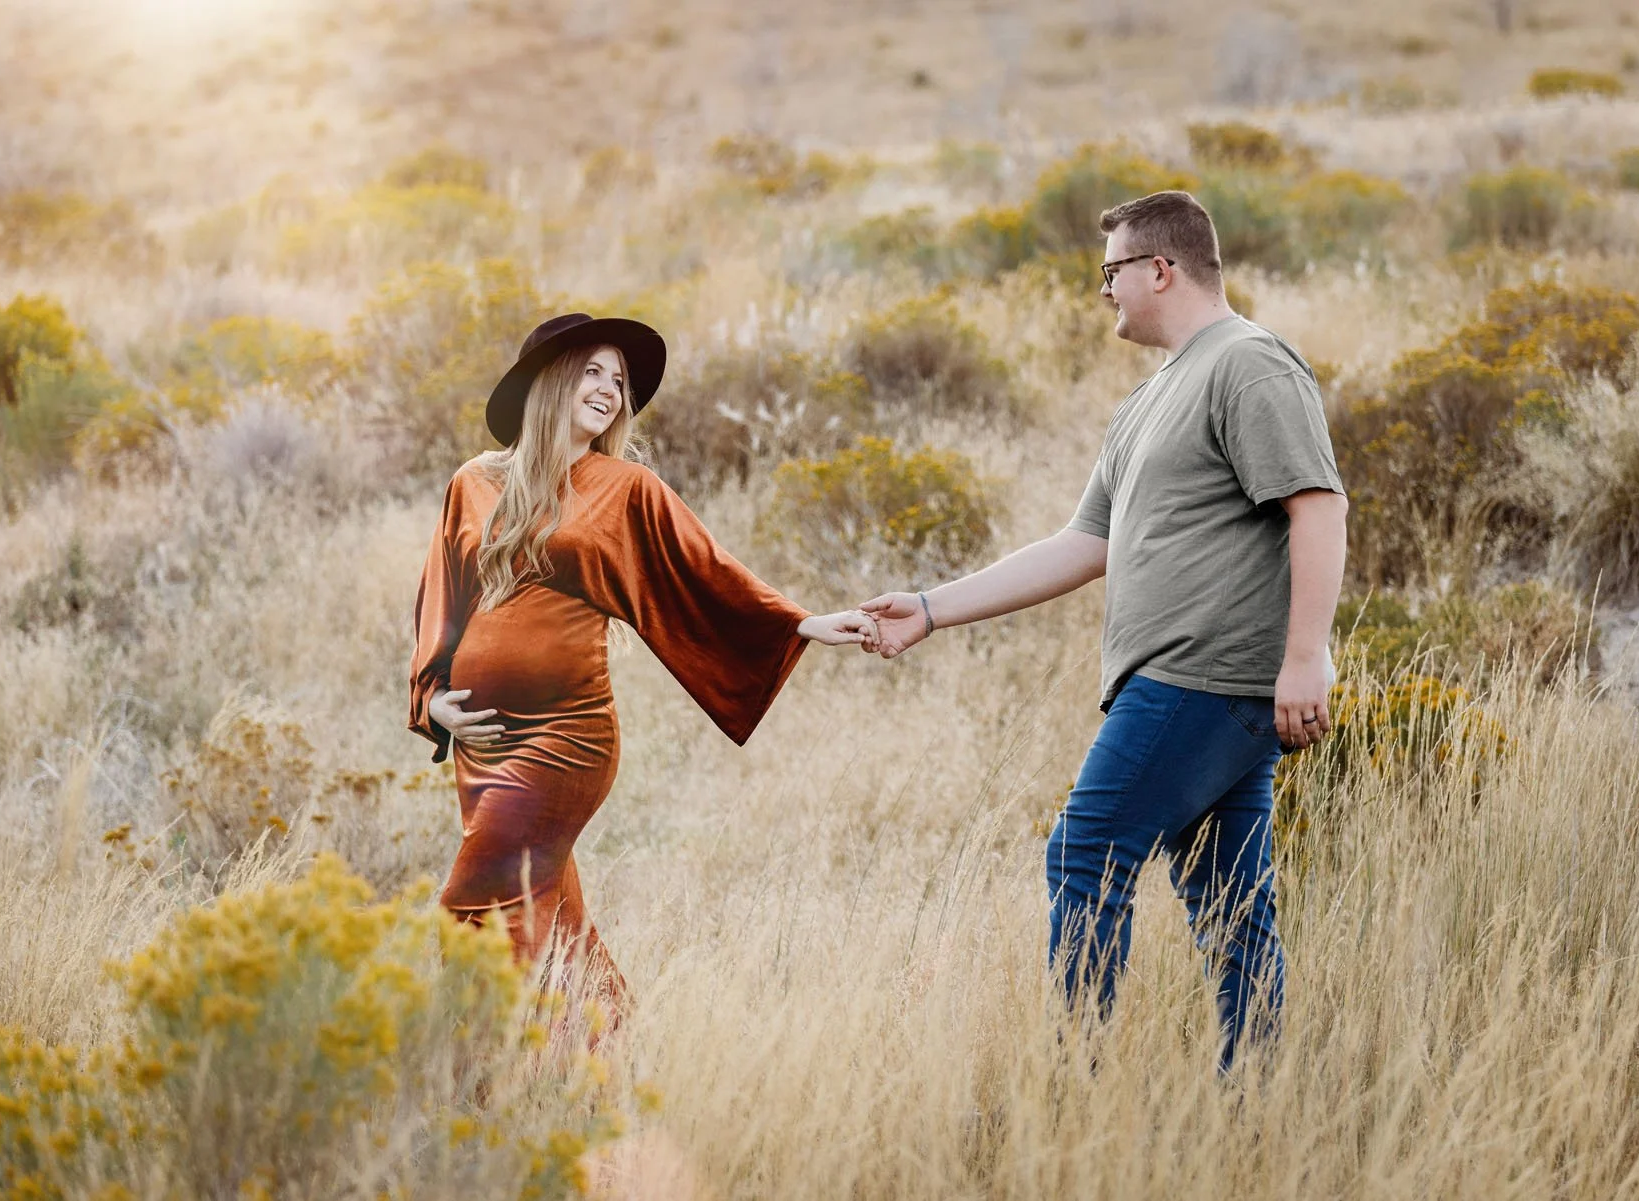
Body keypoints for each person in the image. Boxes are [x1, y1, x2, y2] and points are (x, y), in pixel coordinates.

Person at [861, 191, 1349, 1071]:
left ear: (1160, 269)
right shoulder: (1146, 401)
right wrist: (930, 609)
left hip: (1205, 678)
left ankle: (1074, 1083)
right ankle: (1264, 1107)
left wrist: (1306, 657)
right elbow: (1083, 544)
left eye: (1112, 270)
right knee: (1232, 909)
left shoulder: (1250, 363)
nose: (1104, 291)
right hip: (1181, 683)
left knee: (1086, 847)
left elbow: (1316, 505)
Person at [408, 312, 878, 1012]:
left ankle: (473, 1083)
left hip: (566, 737)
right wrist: (433, 701)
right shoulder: (472, 481)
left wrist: (800, 622)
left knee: (474, 906)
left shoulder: (627, 488)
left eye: (619, 380)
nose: (609, 389)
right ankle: (602, 1061)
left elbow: (705, 572)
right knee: (556, 922)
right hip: (484, 749)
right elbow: (443, 598)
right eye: (592, 371)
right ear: (548, 382)